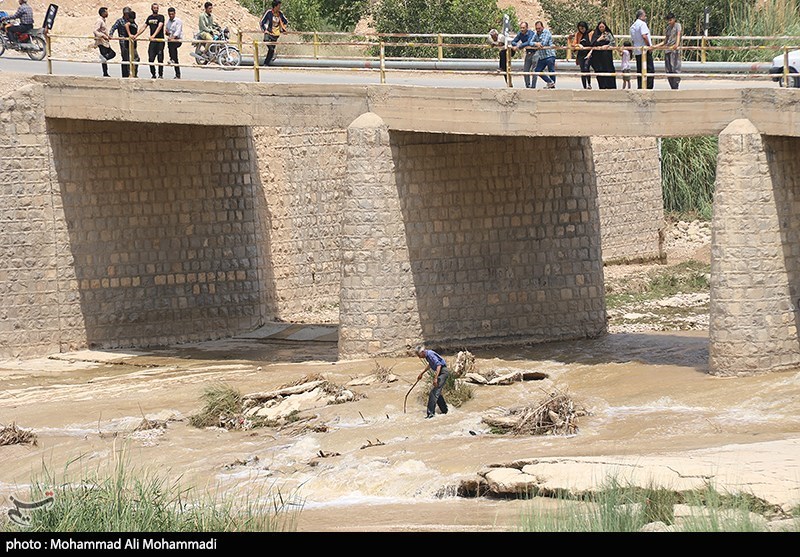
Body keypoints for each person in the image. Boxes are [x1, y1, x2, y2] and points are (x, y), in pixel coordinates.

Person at [415, 345, 449, 419]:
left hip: (443, 372)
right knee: (437, 392)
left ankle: (430, 414)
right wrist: (422, 373)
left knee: (433, 393)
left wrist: (436, 378)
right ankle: (445, 411)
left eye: (419, 355)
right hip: (441, 372)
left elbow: (439, 365)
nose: (419, 357)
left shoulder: (430, 354)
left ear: (422, 352)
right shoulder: (427, 356)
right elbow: (430, 364)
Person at [587, 21, 617, 89]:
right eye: (600, 27)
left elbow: (613, 43)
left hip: (607, 56)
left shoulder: (608, 34)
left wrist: (607, 46)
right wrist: (599, 39)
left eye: (603, 27)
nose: (601, 28)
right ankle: (602, 86)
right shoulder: (596, 34)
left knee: (609, 70)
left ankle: (611, 87)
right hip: (598, 57)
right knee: (600, 71)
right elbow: (592, 44)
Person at [657, 12, 682, 90]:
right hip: (667, 49)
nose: (669, 22)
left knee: (675, 68)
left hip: (674, 50)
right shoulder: (668, 28)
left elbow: (678, 35)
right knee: (668, 70)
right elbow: (665, 41)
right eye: (668, 20)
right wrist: (655, 46)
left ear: (674, 19)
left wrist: (676, 45)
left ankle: (676, 85)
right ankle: (672, 86)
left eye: (670, 20)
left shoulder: (677, 26)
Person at [630, 8, 654, 89]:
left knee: (640, 70)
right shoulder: (642, 24)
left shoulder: (632, 26)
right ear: (641, 16)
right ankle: (648, 87)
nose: (645, 17)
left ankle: (640, 86)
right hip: (645, 50)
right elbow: (644, 36)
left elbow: (633, 40)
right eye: (644, 16)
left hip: (637, 50)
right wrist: (649, 46)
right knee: (649, 70)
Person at [140, 3, 165, 79]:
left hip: (160, 40)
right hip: (153, 41)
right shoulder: (149, 18)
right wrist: (136, 35)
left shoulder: (161, 17)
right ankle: (153, 74)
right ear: (152, 8)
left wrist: (153, 36)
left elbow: (160, 26)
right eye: (154, 8)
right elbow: (144, 27)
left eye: (157, 8)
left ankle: (160, 75)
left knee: (160, 58)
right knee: (151, 58)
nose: (156, 9)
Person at [260, 0, 288, 66]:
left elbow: (286, 21)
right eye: (278, 6)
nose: (279, 7)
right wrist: (264, 29)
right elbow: (262, 22)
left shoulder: (280, 14)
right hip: (268, 32)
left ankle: (266, 63)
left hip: (276, 34)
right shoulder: (269, 12)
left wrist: (282, 29)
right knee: (267, 42)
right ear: (275, 6)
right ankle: (269, 59)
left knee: (271, 50)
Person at [531, 20, 556, 89]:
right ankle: (550, 82)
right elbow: (530, 42)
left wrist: (538, 43)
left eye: (539, 28)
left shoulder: (546, 32)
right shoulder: (536, 34)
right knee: (537, 70)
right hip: (542, 56)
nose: (538, 30)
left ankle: (552, 85)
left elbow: (544, 43)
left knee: (551, 70)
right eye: (536, 29)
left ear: (542, 27)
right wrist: (536, 44)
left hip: (549, 55)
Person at [110, 7, 134, 78]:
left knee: (132, 58)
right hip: (123, 41)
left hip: (130, 41)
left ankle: (132, 73)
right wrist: (110, 34)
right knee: (125, 58)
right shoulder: (120, 21)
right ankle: (125, 75)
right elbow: (113, 27)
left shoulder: (131, 20)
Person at [510, 21, 536, 89]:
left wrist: (520, 46)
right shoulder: (520, 34)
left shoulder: (531, 33)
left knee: (534, 71)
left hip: (535, 53)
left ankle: (533, 87)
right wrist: (517, 45)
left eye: (523, 28)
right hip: (528, 54)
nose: (522, 29)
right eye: (521, 28)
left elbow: (529, 42)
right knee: (525, 71)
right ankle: (527, 86)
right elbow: (513, 42)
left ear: (527, 28)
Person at [569, 21, 592, 90]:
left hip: (589, 53)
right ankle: (584, 86)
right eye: (580, 29)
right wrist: (578, 45)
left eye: (582, 28)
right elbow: (573, 44)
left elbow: (593, 43)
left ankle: (589, 84)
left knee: (586, 68)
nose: (582, 30)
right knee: (582, 70)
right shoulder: (578, 34)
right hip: (581, 54)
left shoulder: (590, 33)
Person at [94, 7, 116, 77]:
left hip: (105, 41)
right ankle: (105, 72)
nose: (107, 13)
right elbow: (95, 30)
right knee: (112, 54)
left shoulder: (103, 20)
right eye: (106, 12)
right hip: (101, 42)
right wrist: (102, 36)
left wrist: (108, 36)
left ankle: (105, 73)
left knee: (105, 58)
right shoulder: (99, 21)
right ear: (103, 13)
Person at [165, 7, 183, 79]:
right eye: (170, 14)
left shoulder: (178, 21)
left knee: (172, 46)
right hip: (171, 40)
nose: (171, 16)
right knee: (176, 58)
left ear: (175, 13)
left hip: (177, 39)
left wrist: (173, 37)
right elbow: (168, 32)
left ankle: (171, 58)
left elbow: (178, 31)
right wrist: (167, 33)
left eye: (172, 14)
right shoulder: (168, 22)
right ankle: (177, 74)